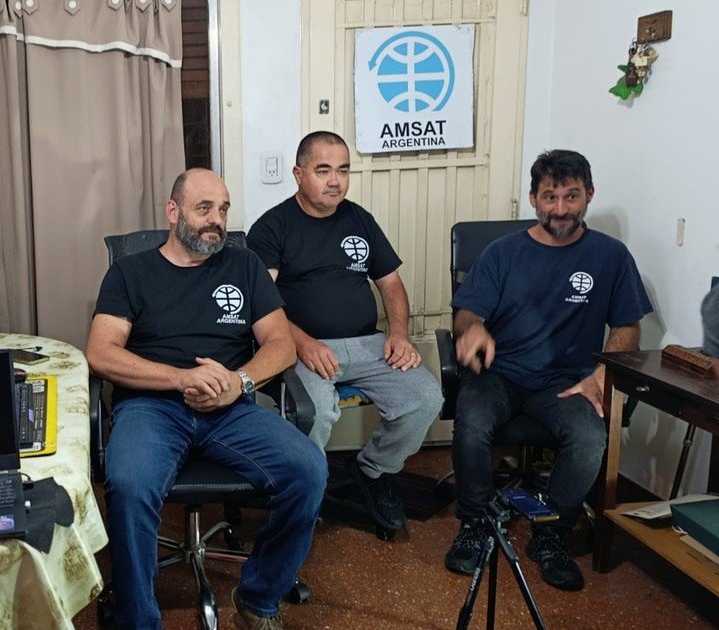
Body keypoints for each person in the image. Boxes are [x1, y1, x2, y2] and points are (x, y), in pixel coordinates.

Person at [87, 168, 327, 629]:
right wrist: (179, 379)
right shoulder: (130, 272)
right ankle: (137, 618)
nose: (216, 220)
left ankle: (258, 599)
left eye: (223, 209)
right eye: (204, 209)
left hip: (230, 407)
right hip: (152, 406)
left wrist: (239, 382)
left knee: (309, 468)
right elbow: (101, 354)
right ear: (173, 212)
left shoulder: (244, 265)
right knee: (131, 485)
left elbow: (281, 343)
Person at [443, 149, 653, 590]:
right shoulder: (503, 253)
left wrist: (603, 374)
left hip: (567, 382)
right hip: (500, 374)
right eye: (550, 197)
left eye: (571, 197)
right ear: (533, 199)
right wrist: (472, 330)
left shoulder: (611, 257)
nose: (560, 209)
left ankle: (551, 535)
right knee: (471, 422)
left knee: (592, 436)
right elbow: (466, 312)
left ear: (589, 195)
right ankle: (476, 524)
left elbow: (628, 327)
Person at [246, 131, 443, 533]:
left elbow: (390, 284)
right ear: (299, 174)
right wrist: (302, 343)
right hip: (302, 347)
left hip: (369, 344)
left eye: (342, 170)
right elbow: (260, 305)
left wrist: (400, 334)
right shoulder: (271, 227)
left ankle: (374, 471)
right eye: (323, 170)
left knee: (426, 397)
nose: (335, 180)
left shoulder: (359, 219)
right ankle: (307, 489)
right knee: (314, 411)